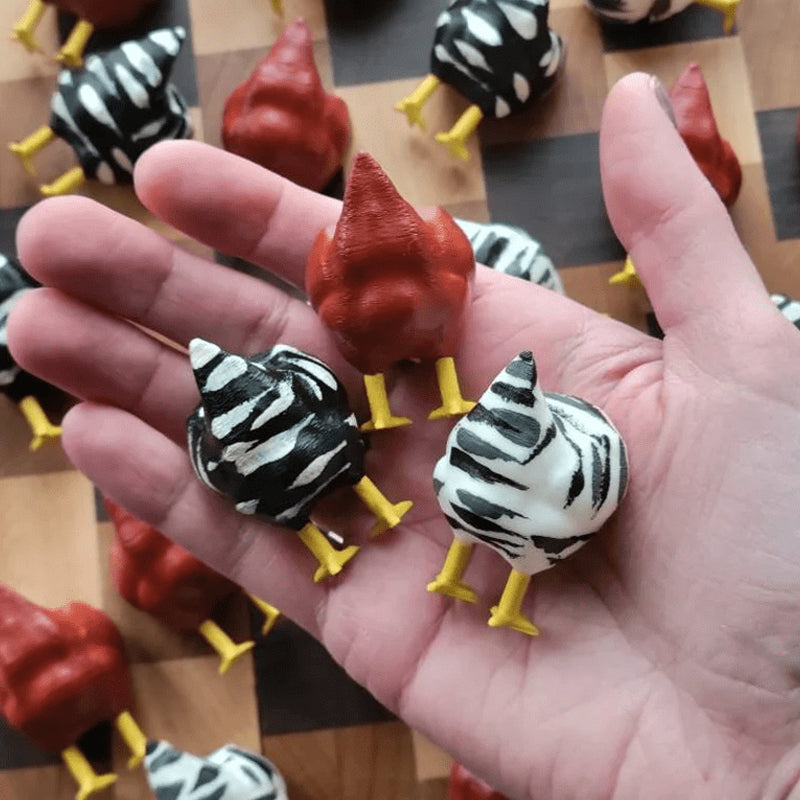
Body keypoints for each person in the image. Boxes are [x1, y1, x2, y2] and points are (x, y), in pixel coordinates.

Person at [8, 72, 800, 800]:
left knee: (453, 515)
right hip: (451, 469)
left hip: (488, 479)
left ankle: (449, 556)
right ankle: (442, 550)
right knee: (435, 508)